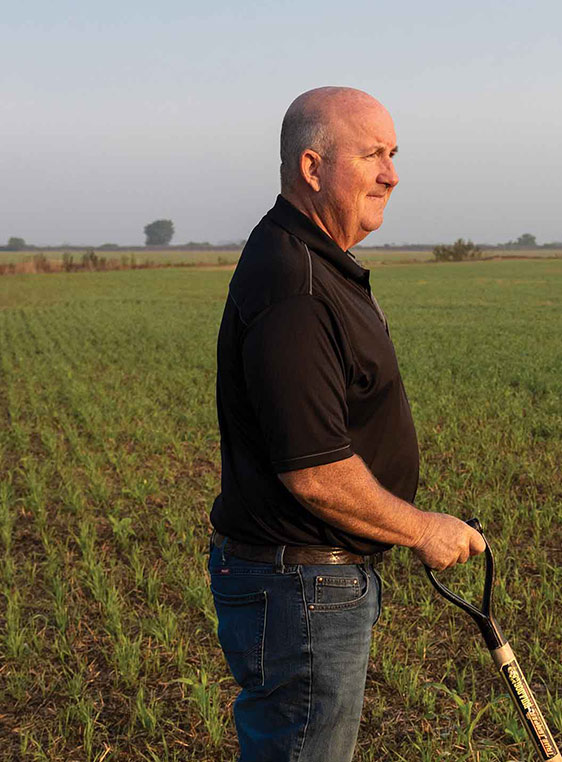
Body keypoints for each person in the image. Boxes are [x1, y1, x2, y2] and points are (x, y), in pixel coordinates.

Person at [207, 86, 485, 762]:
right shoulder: (296, 285)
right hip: (302, 586)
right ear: (312, 168)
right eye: (372, 155)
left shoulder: (311, 262)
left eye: (393, 154)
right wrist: (425, 529)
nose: (392, 173)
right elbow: (315, 472)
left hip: (307, 581)